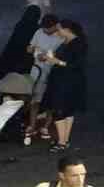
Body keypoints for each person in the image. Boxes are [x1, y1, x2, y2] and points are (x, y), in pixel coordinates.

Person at [36, 20, 87, 150]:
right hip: (66, 81)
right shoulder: (70, 42)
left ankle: (61, 142)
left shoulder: (77, 44)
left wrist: (56, 61)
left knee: (59, 110)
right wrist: (51, 59)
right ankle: (64, 141)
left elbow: (75, 65)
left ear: (68, 30)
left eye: (59, 29)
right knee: (68, 112)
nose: (57, 32)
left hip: (66, 83)